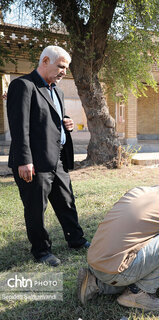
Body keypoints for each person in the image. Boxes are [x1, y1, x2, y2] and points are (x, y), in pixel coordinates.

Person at [6, 45, 89, 267]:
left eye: (66, 68)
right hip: (34, 162)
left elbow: (49, 118)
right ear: (45, 61)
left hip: (57, 159)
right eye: (61, 66)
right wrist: (24, 160)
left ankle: (77, 241)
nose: (64, 71)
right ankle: (42, 251)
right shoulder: (23, 85)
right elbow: (19, 126)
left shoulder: (58, 91)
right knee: (36, 209)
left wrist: (66, 123)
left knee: (67, 202)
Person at [77, 172, 159, 311]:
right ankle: (138, 293)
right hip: (117, 271)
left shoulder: (137, 190)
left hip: (95, 262)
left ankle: (95, 282)